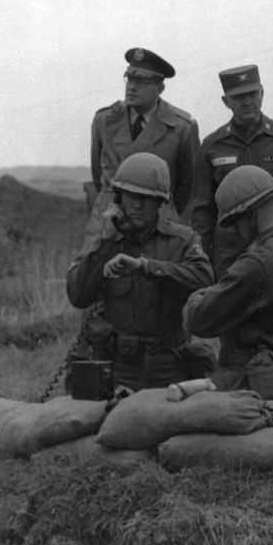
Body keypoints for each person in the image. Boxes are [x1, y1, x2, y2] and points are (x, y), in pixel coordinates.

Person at [66, 153, 215, 392]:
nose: (136, 205)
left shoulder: (182, 240)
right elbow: (78, 295)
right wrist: (105, 242)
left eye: (146, 198)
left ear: (160, 202)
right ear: (118, 198)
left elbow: (204, 281)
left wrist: (145, 266)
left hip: (171, 365)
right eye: (130, 196)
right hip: (119, 369)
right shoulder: (107, 241)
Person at [184, 166, 273, 398]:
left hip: (252, 382)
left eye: (236, 222)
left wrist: (199, 297)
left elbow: (198, 320)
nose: (237, 233)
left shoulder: (256, 263)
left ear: (250, 214)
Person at [189, 64, 273, 279]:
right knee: (228, 307)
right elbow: (202, 210)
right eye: (239, 96)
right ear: (226, 101)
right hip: (228, 250)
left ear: (262, 93)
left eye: (253, 94)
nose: (248, 102)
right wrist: (200, 260)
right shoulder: (212, 145)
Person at [88, 48, 199, 236]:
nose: (131, 87)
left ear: (159, 88)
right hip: (109, 221)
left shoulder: (181, 128)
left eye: (142, 81)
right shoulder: (104, 120)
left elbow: (188, 188)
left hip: (156, 225)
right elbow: (98, 174)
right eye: (129, 78)